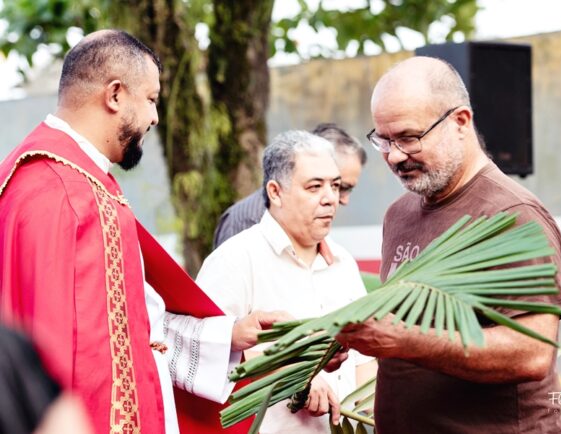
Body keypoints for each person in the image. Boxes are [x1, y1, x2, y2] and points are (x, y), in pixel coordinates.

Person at [0, 29, 287, 434]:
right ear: (115, 95)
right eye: (151, 99)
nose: (155, 117)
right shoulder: (64, 192)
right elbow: (61, 350)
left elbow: (131, 327)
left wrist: (229, 335)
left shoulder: (66, 181)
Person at [335, 57, 561, 433]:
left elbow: (533, 353)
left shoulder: (513, 215)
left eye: (409, 137)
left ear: (460, 121)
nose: (394, 156)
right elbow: (403, 328)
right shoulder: (399, 214)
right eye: (384, 140)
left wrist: (405, 341)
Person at [197, 130, 376, 434]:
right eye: (314, 187)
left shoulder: (343, 263)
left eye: (335, 185)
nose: (330, 199)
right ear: (276, 192)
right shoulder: (235, 259)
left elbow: (363, 360)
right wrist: (293, 374)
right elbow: (204, 350)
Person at [212, 123, 367, 249]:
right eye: (316, 185)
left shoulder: (340, 259)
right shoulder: (245, 223)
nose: (336, 199)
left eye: (335, 185)